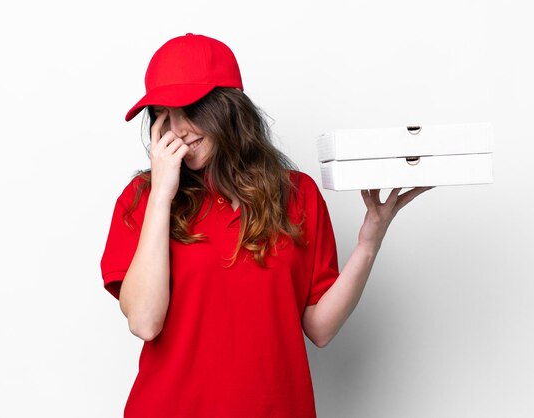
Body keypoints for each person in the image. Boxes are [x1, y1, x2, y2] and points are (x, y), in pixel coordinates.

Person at [100, 32, 433, 418]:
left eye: (188, 110)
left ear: (226, 108)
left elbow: (320, 329)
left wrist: (369, 242)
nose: (178, 130)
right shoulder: (141, 199)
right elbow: (144, 321)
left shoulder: (297, 195)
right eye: (162, 115)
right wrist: (162, 194)